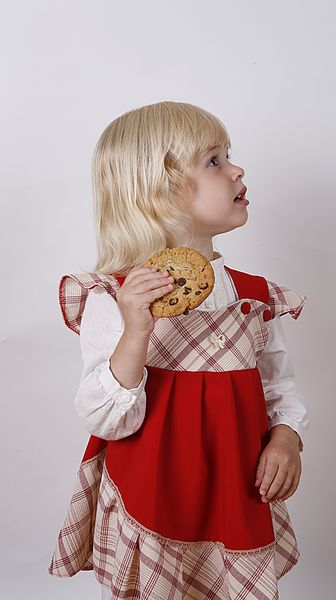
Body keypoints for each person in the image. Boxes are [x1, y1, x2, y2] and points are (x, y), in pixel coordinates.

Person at [48, 101, 310, 600]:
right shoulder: (115, 298)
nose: (237, 169)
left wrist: (287, 438)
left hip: (234, 496)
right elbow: (106, 420)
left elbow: (279, 385)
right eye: (214, 160)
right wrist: (135, 333)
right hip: (152, 498)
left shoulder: (255, 298)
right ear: (159, 191)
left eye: (228, 155)